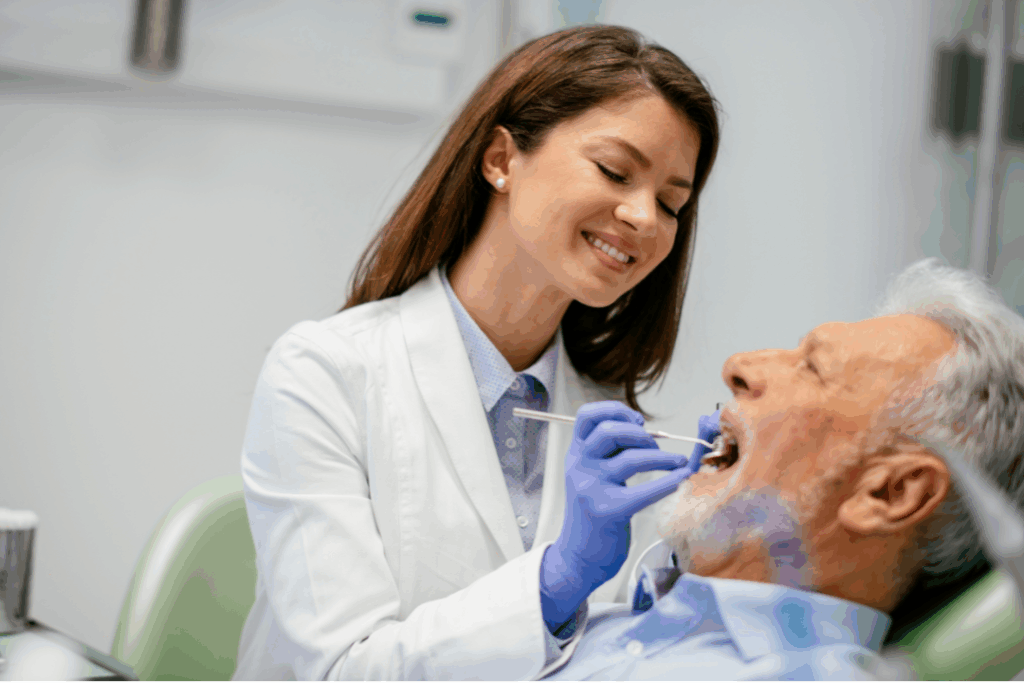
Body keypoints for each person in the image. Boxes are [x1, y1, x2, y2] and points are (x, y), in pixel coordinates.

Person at [232, 25, 722, 680]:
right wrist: (554, 581)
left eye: (671, 203)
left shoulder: (611, 424)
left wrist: (691, 554)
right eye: (614, 170)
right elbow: (341, 669)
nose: (644, 218)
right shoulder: (324, 374)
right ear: (500, 160)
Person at [534, 258, 1024, 680]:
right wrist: (549, 597)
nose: (739, 366)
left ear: (890, 493)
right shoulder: (600, 618)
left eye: (812, 367)